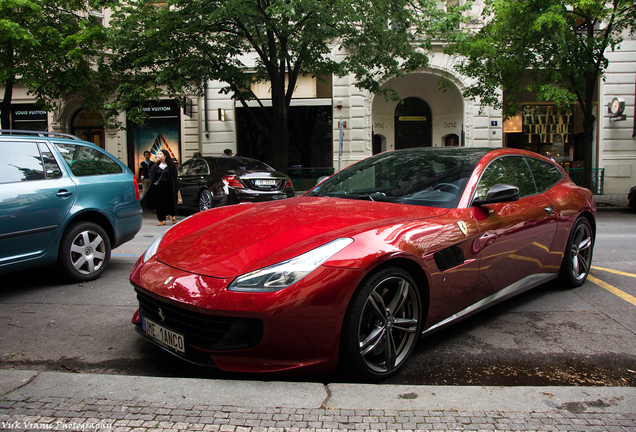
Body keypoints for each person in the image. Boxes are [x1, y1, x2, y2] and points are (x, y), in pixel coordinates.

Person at [141, 149, 179, 226]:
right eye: (158, 154)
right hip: (159, 187)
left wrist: (176, 186)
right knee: (160, 203)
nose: (158, 155)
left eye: (160, 154)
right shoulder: (155, 166)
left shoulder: (171, 166)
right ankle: (162, 219)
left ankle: (172, 216)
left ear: (165, 156)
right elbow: (152, 176)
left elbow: (175, 177)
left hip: (169, 186)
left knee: (170, 201)